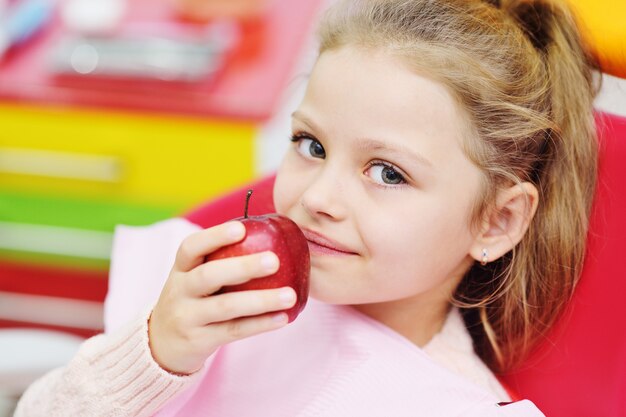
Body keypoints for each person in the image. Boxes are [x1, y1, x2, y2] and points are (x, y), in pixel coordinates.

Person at [15, 0, 599, 415]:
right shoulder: (207, 305)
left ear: (497, 221)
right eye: (311, 146)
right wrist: (154, 356)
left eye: (388, 173)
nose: (316, 198)